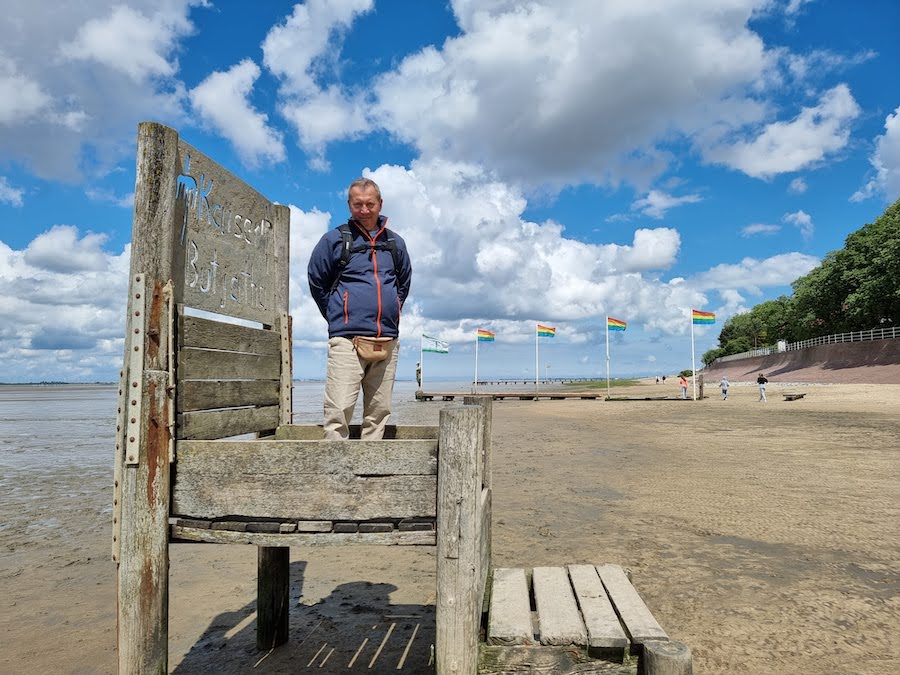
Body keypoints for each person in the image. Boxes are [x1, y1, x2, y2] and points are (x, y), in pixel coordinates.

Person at [307, 177, 412, 440]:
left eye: (369, 204)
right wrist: (338, 314)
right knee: (339, 409)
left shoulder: (395, 243)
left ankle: (370, 472)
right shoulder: (333, 240)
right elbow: (317, 282)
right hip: (346, 340)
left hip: (386, 338)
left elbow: (403, 285)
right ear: (349, 205)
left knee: (379, 412)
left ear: (380, 204)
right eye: (358, 204)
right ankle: (335, 473)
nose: (364, 210)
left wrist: (393, 310)